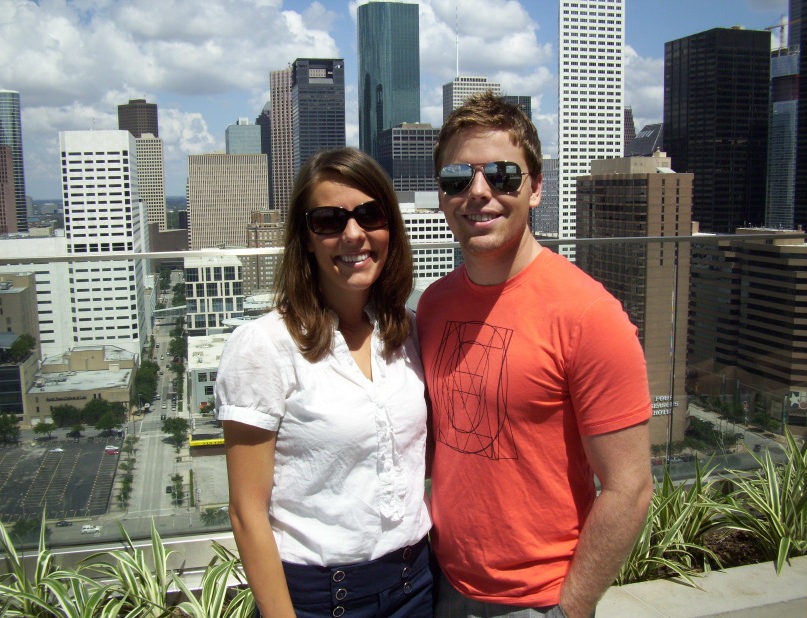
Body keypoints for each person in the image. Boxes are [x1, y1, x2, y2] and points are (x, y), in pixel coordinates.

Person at [417, 91, 653, 618]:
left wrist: (571, 608)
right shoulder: (433, 306)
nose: (479, 192)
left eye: (503, 175)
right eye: (457, 178)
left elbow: (630, 486)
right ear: (442, 194)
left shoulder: (589, 314)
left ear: (537, 188)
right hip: (442, 583)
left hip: (541, 600)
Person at [216, 148, 433, 618]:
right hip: (321, 599)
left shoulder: (408, 331)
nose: (353, 234)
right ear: (306, 239)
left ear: (391, 228)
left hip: (416, 584)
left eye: (370, 215)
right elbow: (247, 512)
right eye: (329, 221)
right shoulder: (263, 346)